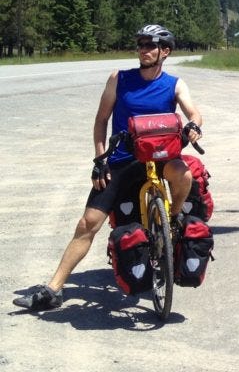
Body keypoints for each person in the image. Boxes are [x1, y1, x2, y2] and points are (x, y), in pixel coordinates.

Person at [13, 24, 203, 311]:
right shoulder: (119, 78)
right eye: (141, 44)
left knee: (184, 173)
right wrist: (100, 158)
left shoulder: (174, 84)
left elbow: (193, 112)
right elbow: (102, 119)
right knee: (88, 223)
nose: (144, 50)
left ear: (165, 51)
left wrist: (193, 126)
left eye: (150, 45)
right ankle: (53, 290)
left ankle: (172, 219)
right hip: (122, 159)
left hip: (160, 157)